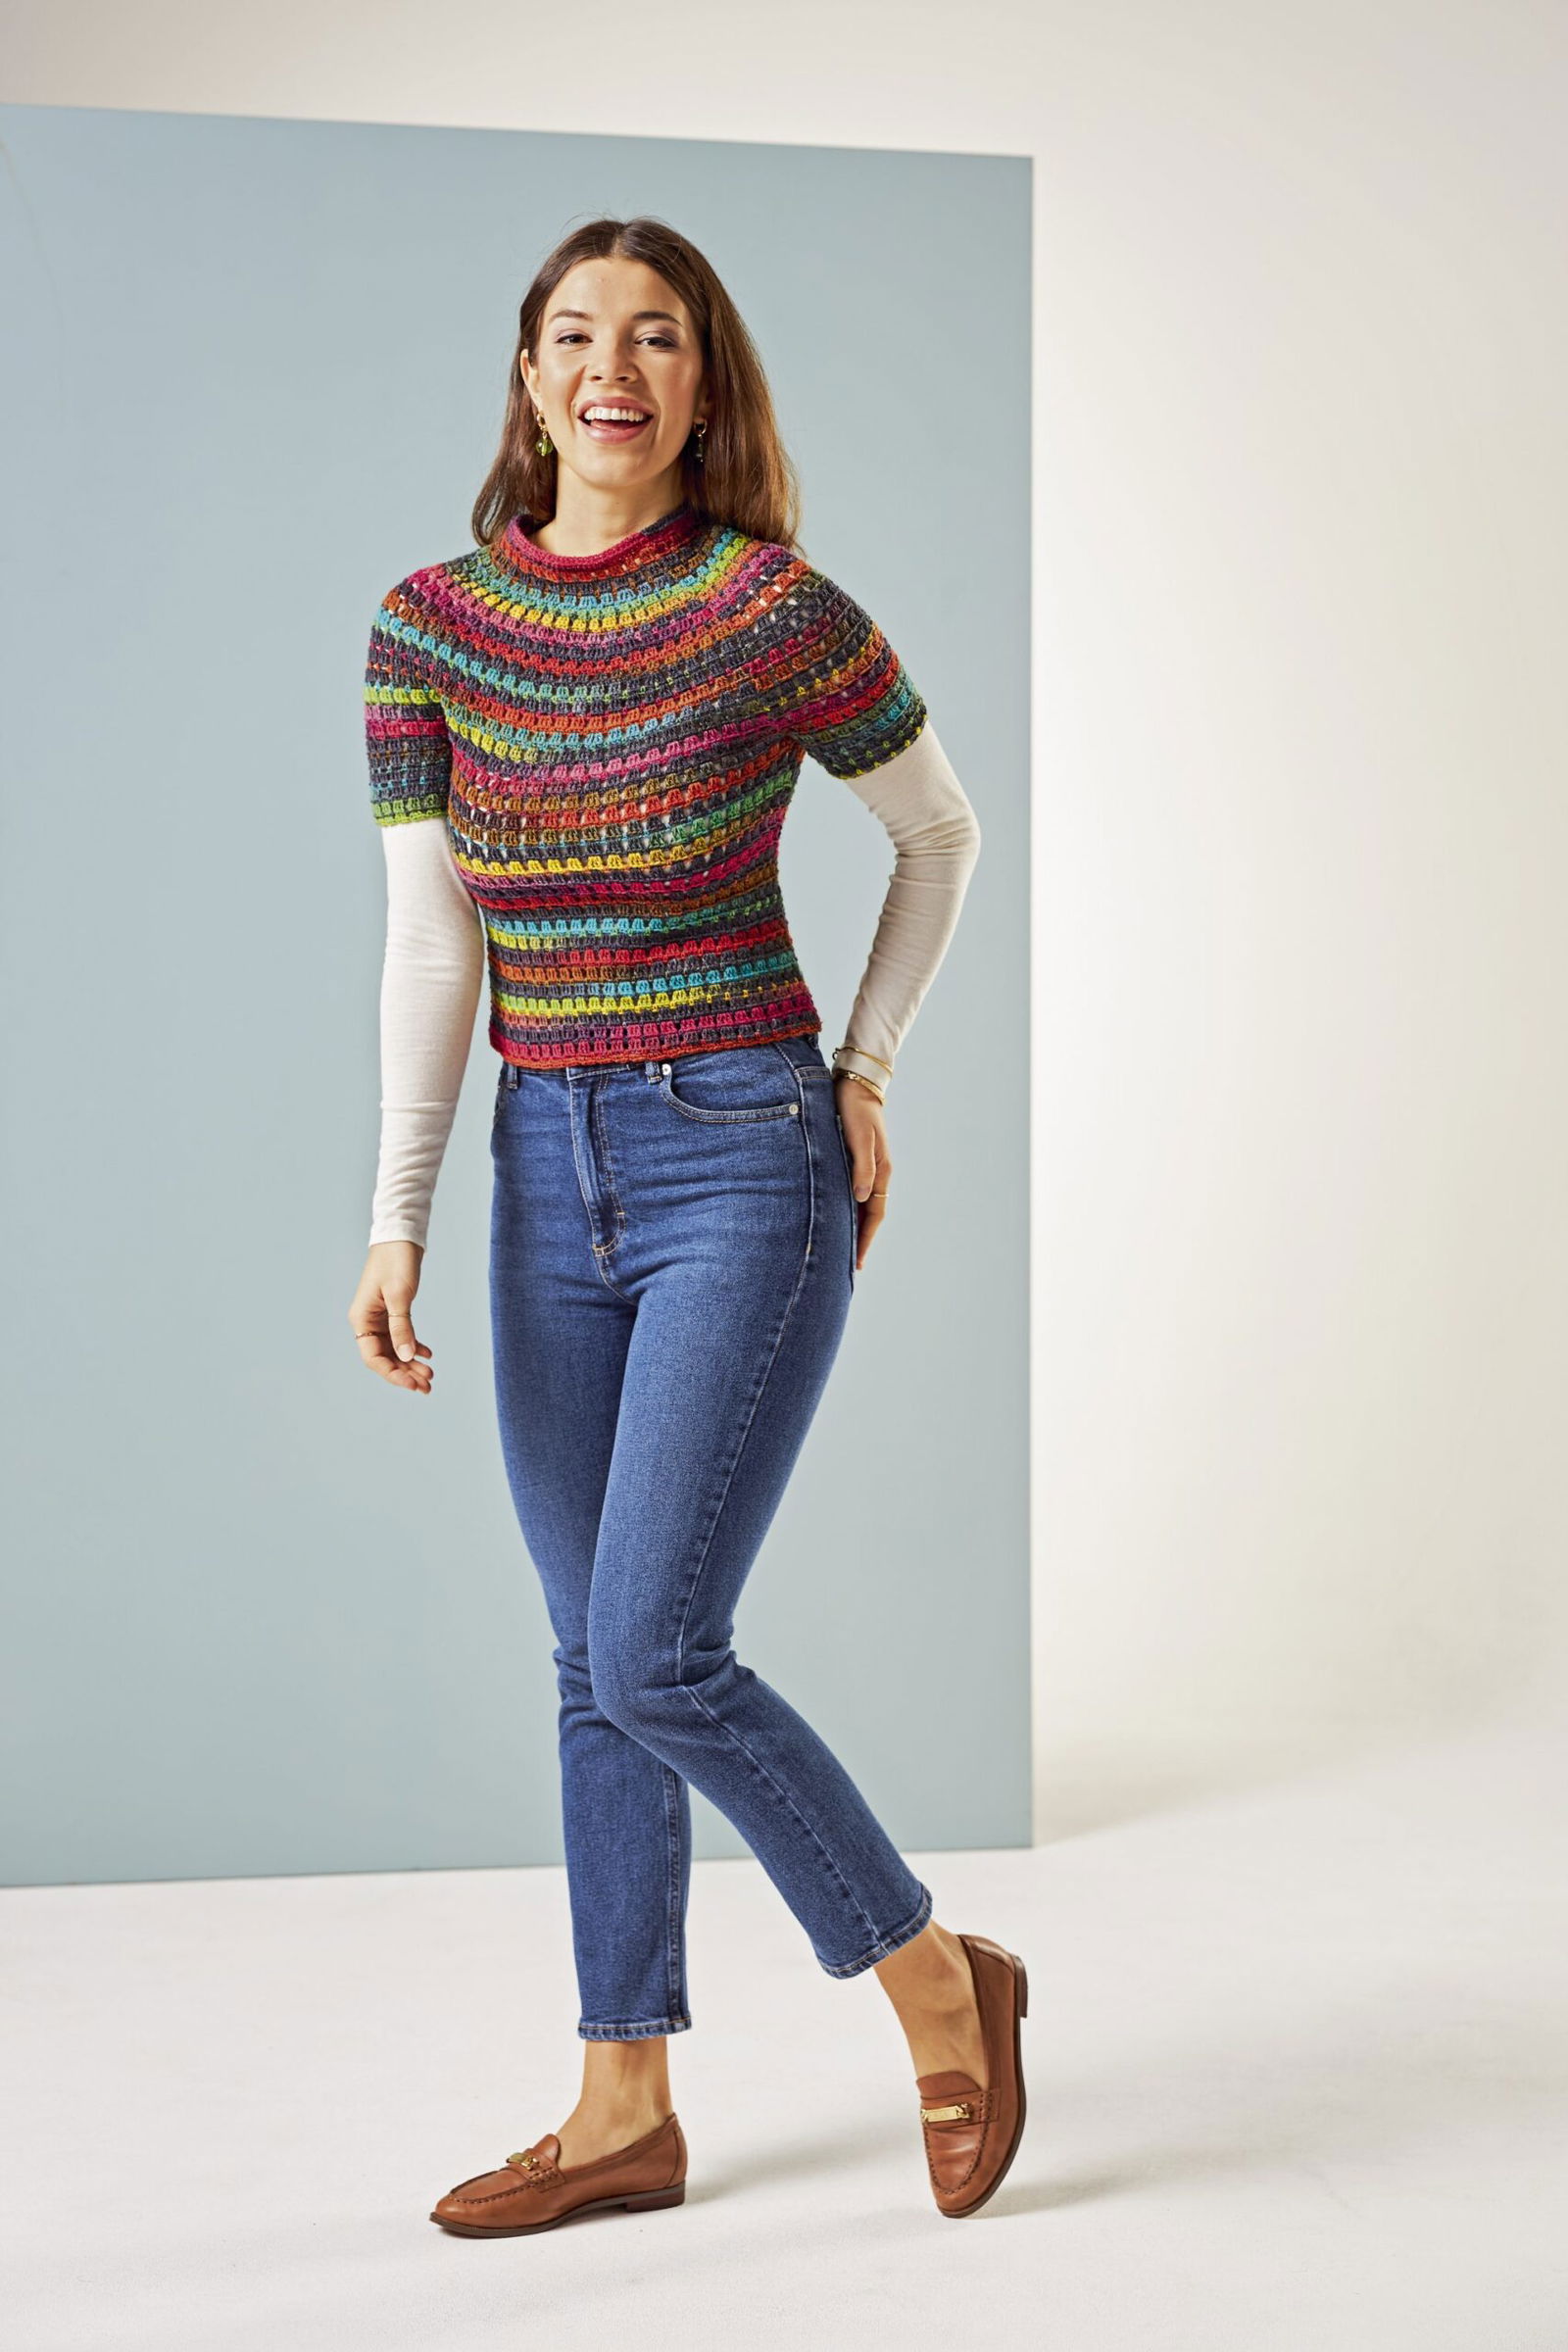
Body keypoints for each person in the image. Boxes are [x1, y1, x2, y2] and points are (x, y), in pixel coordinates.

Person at [345, 215, 1026, 2230]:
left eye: (655, 338)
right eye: (575, 334)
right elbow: (431, 939)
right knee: (591, 1655)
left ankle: (934, 1978)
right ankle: (620, 2105)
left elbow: (935, 831)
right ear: (528, 373)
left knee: (653, 1646)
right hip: (538, 1165)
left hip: (739, 1149)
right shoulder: (427, 627)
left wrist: (866, 1069)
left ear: (703, 382)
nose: (610, 370)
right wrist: (394, 1214)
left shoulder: (766, 608)